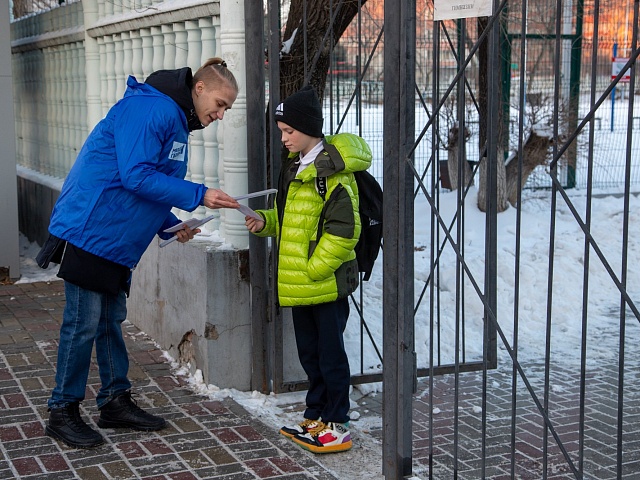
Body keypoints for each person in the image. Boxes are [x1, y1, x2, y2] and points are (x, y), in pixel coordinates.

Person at [36, 57, 241, 449]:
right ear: (199, 88)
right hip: (91, 227)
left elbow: (145, 187)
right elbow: (136, 175)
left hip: (114, 236)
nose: (220, 114)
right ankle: (62, 411)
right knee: (81, 324)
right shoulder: (153, 108)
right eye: (220, 103)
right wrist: (199, 195)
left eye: (226, 108)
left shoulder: (174, 117)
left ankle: (114, 400)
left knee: (110, 319)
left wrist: (171, 224)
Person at [245, 85, 372, 453]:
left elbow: (344, 230)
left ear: (309, 129)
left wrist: (315, 268)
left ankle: (338, 423)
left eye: (289, 131)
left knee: (331, 354)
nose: (284, 138)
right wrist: (266, 221)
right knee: (310, 353)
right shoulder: (295, 167)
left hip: (322, 282)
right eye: (282, 131)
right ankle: (316, 413)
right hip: (303, 283)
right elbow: (294, 222)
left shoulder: (332, 172)